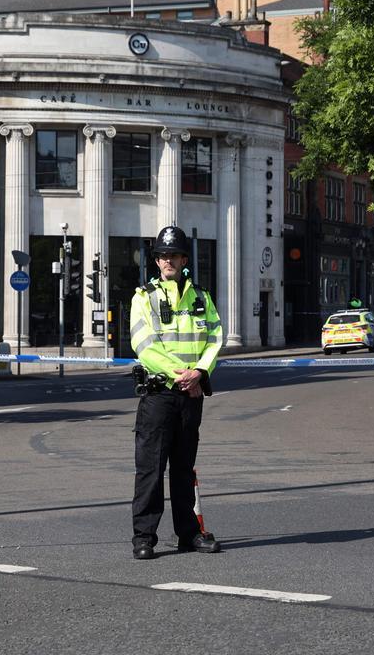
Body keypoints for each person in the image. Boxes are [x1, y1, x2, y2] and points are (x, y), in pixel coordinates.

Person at [129, 225, 223, 560]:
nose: (167, 260)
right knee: (150, 469)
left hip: (191, 394)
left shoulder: (201, 297)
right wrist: (179, 375)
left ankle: (189, 535)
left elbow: (215, 338)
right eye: (162, 255)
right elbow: (144, 345)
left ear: (184, 259)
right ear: (156, 261)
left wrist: (199, 372)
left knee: (183, 468)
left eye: (174, 254)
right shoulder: (144, 298)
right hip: (159, 394)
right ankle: (144, 538)